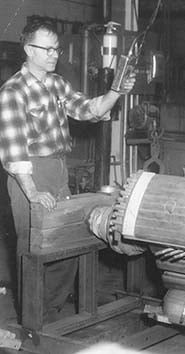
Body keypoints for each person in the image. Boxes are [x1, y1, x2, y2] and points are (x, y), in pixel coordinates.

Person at [0, 19, 135, 322]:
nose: (53, 54)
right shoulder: (13, 92)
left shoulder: (57, 83)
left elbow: (89, 109)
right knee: (34, 248)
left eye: (56, 49)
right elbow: (13, 149)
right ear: (27, 49)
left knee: (68, 243)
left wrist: (116, 91)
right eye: (45, 49)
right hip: (31, 173)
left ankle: (50, 313)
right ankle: (34, 319)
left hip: (59, 169)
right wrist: (33, 192)